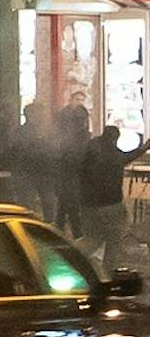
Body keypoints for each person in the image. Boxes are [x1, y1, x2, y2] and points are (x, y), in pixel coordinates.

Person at [80, 124, 133, 274]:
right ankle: (108, 273)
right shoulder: (112, 154)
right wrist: (145, 147)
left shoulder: (91, 149)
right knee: (114, 239)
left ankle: (69, 258)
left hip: (88, 203)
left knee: (92, 238)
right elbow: (126, 157)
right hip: (110, 204)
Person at [56, 104, 92, 241]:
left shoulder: (70, 138)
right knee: (71, 211)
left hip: (72, 180)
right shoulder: (72, 139)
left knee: (67, 211)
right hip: (72, 180)